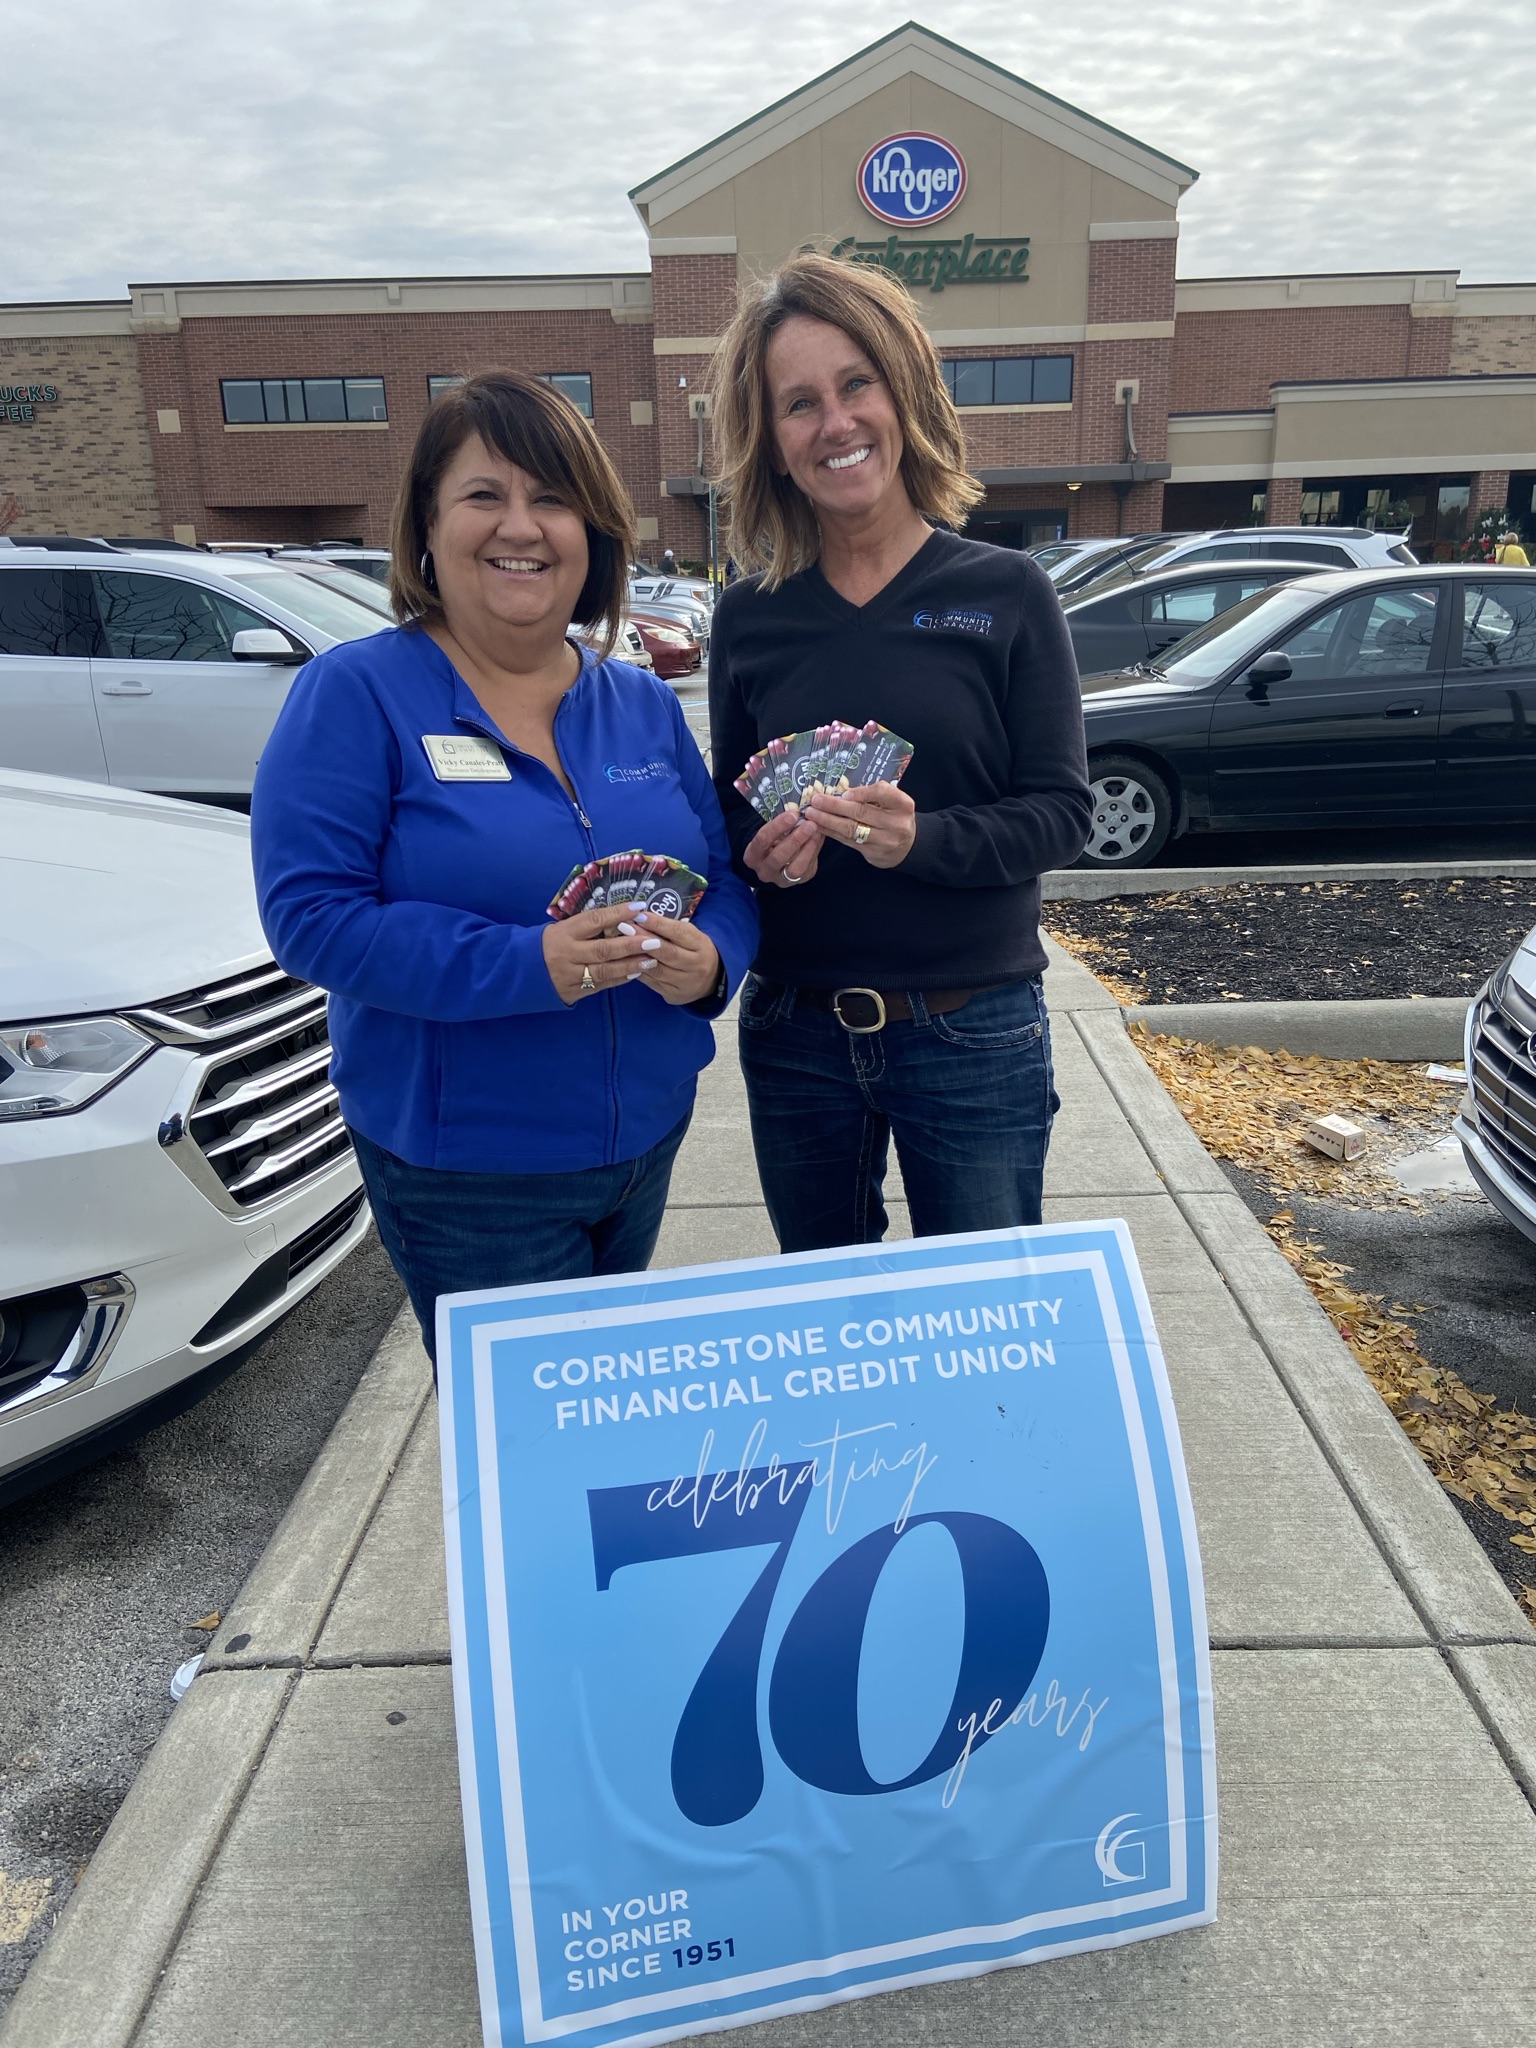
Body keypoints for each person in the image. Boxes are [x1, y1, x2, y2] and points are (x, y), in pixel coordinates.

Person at [251, 371, 758, 1356]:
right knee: (535, 1473)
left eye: (552, 498)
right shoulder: (356, 693)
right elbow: (311, 915)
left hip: (645, 1139)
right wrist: (529, 964)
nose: (520, 526)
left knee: (605, 1417)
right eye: (485, 495)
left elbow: (724, 880)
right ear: (428, 528)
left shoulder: (640, 701)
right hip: (471, 1172)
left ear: (592, 533)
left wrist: (715, 963)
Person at [707, 254, 1092, 1254]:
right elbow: (729, 806)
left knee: (988, 1342)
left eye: (855, 384)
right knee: (834, 1334)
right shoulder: (748, 615)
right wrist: (758, 846)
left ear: (903, 392)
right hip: (795, 1034)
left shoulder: (1008, 592)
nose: (834, 423)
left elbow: (1060, 810)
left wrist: (919, 840)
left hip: (975, 1032)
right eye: (798, 403)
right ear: (773, 443)